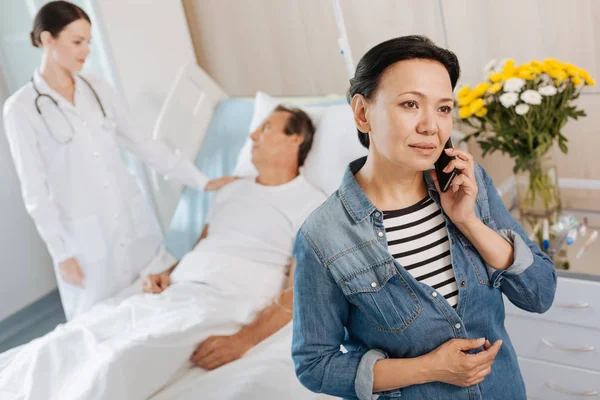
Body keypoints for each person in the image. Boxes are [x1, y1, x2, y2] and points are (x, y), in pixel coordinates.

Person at [292, 35, 557, 400]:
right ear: (361, 112)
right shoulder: (323, 237)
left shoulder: (470, 185)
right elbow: (314, 365)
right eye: (410, 104)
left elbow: (540, 294)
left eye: (444, 108)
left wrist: (469, 222)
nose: (431, 126)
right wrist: (429, 369)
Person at [0, 106, 326, 400]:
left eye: (267, 128)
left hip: (226, 299)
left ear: (295, 139)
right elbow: (202, 246)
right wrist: (168, 273)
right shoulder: (230, 189)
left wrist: (246, 339)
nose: (253, 134)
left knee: (121, 360)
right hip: (177, 291)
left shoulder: (311, 204)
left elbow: (300, 289)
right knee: (67, 343)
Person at [2, 1, 231, 320]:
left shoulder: (96, 88)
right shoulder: (22, 109)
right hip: (84, 240)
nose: (86, 51)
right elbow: (35, 190)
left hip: (130, 218)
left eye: (88, 42)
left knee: (160, 308)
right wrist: (62, 253)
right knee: (100, 324)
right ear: (47, 39)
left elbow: (142, 143)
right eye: (77, 41)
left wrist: (201, 180)